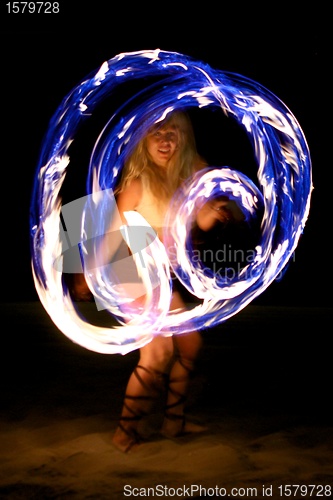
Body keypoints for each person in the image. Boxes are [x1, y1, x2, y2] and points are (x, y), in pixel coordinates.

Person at [72, 110, 247, 453]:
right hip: (128, 270)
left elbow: (204, 219)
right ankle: (124, 432)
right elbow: (111, 235)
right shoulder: (137, 182)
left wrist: (219, 210)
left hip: (159, 276)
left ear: (184, 137)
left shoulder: (190, 170)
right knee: (156, 353)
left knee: (190, 347)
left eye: (173, 133)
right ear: (143, 139)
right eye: (157, 133)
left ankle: (173, 422)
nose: (165, 141)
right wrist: (88, 271)